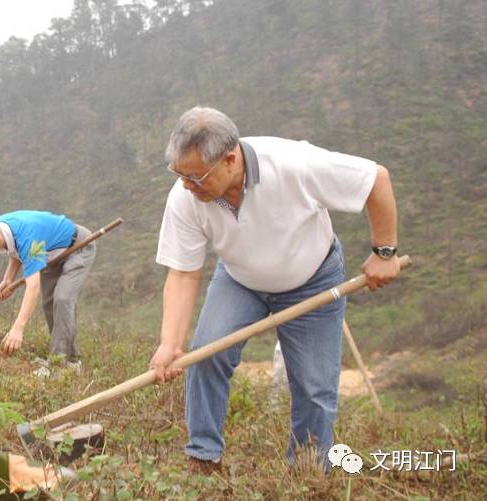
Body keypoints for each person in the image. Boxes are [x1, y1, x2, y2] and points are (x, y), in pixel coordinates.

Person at [148, 106, 401, 473]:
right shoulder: (186, 195)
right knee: (204, 355)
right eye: (180, 175)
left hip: (312, 278)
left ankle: (307, 473)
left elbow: (376, 179)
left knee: (314, 387)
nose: (186, 185)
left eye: (196, 177)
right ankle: (203, 458)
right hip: (241, 280)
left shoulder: (293, 163)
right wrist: (169, 343)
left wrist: (385, 251)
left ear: (230, 159)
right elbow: (184, 274)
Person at [0, 211, 96, 364]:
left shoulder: (28, 237)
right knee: (49, 305)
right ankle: (69, 359)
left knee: (63, 299)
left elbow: (33, 287)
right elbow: (16, 249)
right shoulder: (2, 227)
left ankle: (59, 364)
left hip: (77, 247)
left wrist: (18, 328)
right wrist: (8, 278)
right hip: (49, 252)